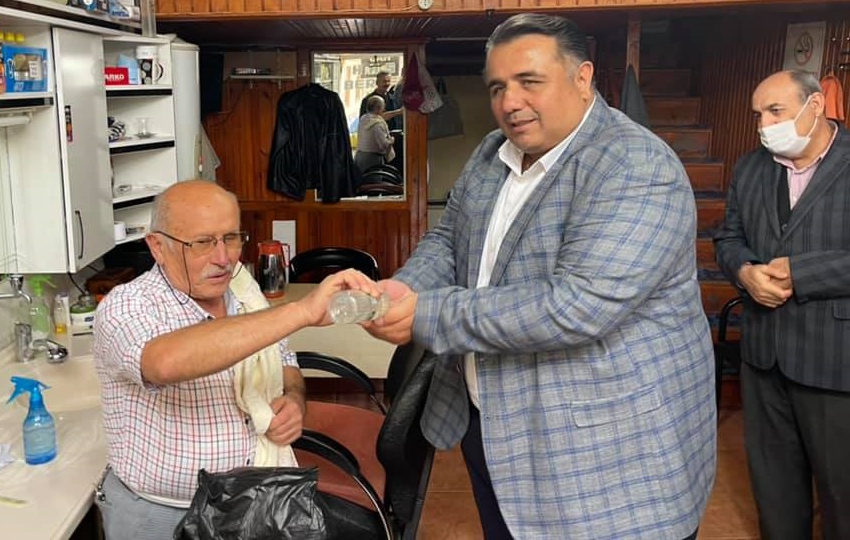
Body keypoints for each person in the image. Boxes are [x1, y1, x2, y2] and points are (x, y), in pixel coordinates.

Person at [363, 13, 715, 540]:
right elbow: (450, 238)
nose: (510, 102)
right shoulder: (491, 153)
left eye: (529, 81)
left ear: (582, 77)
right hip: (494, 425)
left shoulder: (635, 164)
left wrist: (426, 312)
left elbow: (576, 306)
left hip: (604, 450)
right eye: (498, 87)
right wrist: (407, 286)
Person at [92, 180, 376, 539]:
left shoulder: (244, 293)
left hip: (254, 502)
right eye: (202, 242)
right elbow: (163, 363)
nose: (223, 258)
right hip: (163, 513)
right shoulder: (125, 305)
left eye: (231, 238)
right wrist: (301, 311)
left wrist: (293, 400)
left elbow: (284, 358)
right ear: (157, 246)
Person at [714, 70, 850, 540]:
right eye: (759, 115)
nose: (764, 125)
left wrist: (801, 274)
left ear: (816, 106)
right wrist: (745, 272)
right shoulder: (751, 167)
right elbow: (728, 238)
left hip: (835, 360)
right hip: (763, 356)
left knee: (842, 493)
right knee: (775, 490)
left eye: (776, 111)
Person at [354, 95, 396, 173]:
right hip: (372, 159)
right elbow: (383, 145)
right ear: (378, 108)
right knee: (373, 180)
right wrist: (391, 140)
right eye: (383, 107)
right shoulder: (377, 124)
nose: (384, 109)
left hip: (359, 156)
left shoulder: (364, 118)